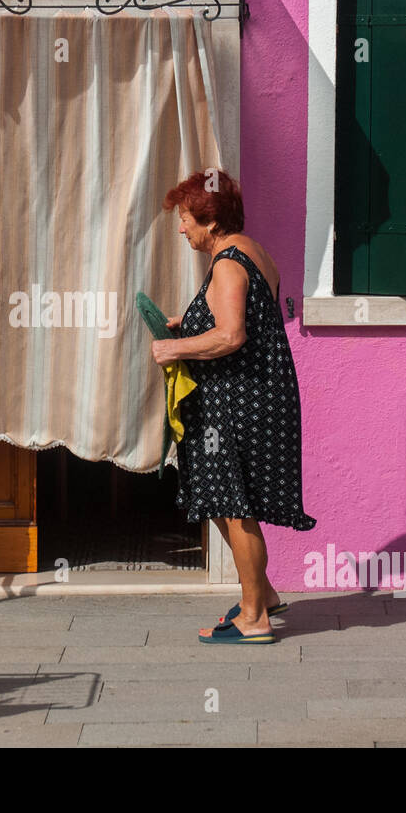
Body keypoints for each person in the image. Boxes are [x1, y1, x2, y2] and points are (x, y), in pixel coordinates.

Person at [151, 169, 317, 644]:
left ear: (209, 219)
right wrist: (190, 318)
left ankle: (253, 619)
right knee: (228, 500)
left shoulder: (226, 262)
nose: (181, 228)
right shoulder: (253, 252)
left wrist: (174, 348)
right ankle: (261, 594)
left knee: (234, 504)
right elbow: (250, 315)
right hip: (261, 395)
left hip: (237, 402)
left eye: (185, 218)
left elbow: (231, 335)